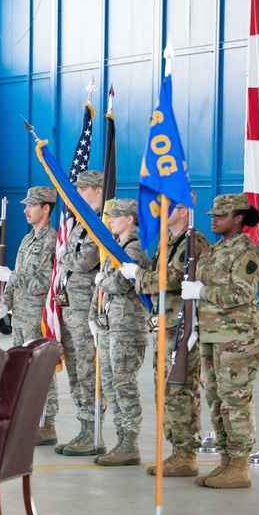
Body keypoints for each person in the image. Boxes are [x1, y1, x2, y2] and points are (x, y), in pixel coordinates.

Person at [181, 193, 259, 489]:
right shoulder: (214, 251)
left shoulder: (246, 252)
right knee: (216, 400)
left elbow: (242, 294)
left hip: (239, 338)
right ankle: (226, 461)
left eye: (221, 215)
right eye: (213, 215)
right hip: (213, 335)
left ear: (239, 217)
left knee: (236, 400)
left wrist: (201, 292)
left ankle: (241, 466)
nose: (214, 219)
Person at [121, 199, 211, 476]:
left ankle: (186, 454)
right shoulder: (168, 242)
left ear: (183, 210)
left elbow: (172, 278)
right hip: (166, 325)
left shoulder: (193, 242)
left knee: (180, 390)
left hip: (185, 327)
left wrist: (138, 274)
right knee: (166, 391)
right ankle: (177, 451)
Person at [0, 186, 59, 446]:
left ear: (46, 208)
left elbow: (44, 282)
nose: (26, 210)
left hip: (37, 318)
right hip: (20, 317)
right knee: (21, 371)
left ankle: (47, 424)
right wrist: (4, 301)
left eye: (31, 205)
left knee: (41, 372)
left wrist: (12, 276)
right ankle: (28, 420)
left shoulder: (52, 241)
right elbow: (17, 278)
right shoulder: (26, 240)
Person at [89, 198, 149, 465]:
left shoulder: (134, 249)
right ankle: (121, 437)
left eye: (116, 216)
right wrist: (94, 316)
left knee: (124, 383)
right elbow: (104, 287)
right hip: (110, 325)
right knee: (110, 384)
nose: (110, 220)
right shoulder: (115, 248)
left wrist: (103, 280)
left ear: (130, 219)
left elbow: (122, 283)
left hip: (127, 327)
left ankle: (131, 442)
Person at [54, 169, 107, 456]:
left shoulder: (102, 222)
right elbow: (67, 258)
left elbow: (85, 260)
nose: (77, 194)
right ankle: (84, 429)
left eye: (83, 189)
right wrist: (65, 257)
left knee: (89, 371)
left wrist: (63, 255)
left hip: (87, 310)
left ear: (97, 190)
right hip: (70, 308)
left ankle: (94, 432)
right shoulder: (79, 224)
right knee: (75, 372)